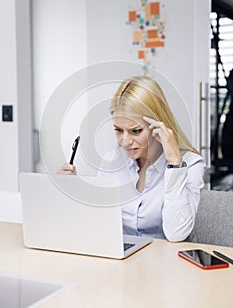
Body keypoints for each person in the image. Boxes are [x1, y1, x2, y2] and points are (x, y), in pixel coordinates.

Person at [58, 75, 205, 242]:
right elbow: (98, 224)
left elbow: (177, 233)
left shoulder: (191, 164)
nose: (125, 141)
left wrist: (174, 163)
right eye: (118, 130)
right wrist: (72, 190)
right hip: (124, 261)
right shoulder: (111, 160)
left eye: (135, 131)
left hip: (168, 263)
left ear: (158, 126)